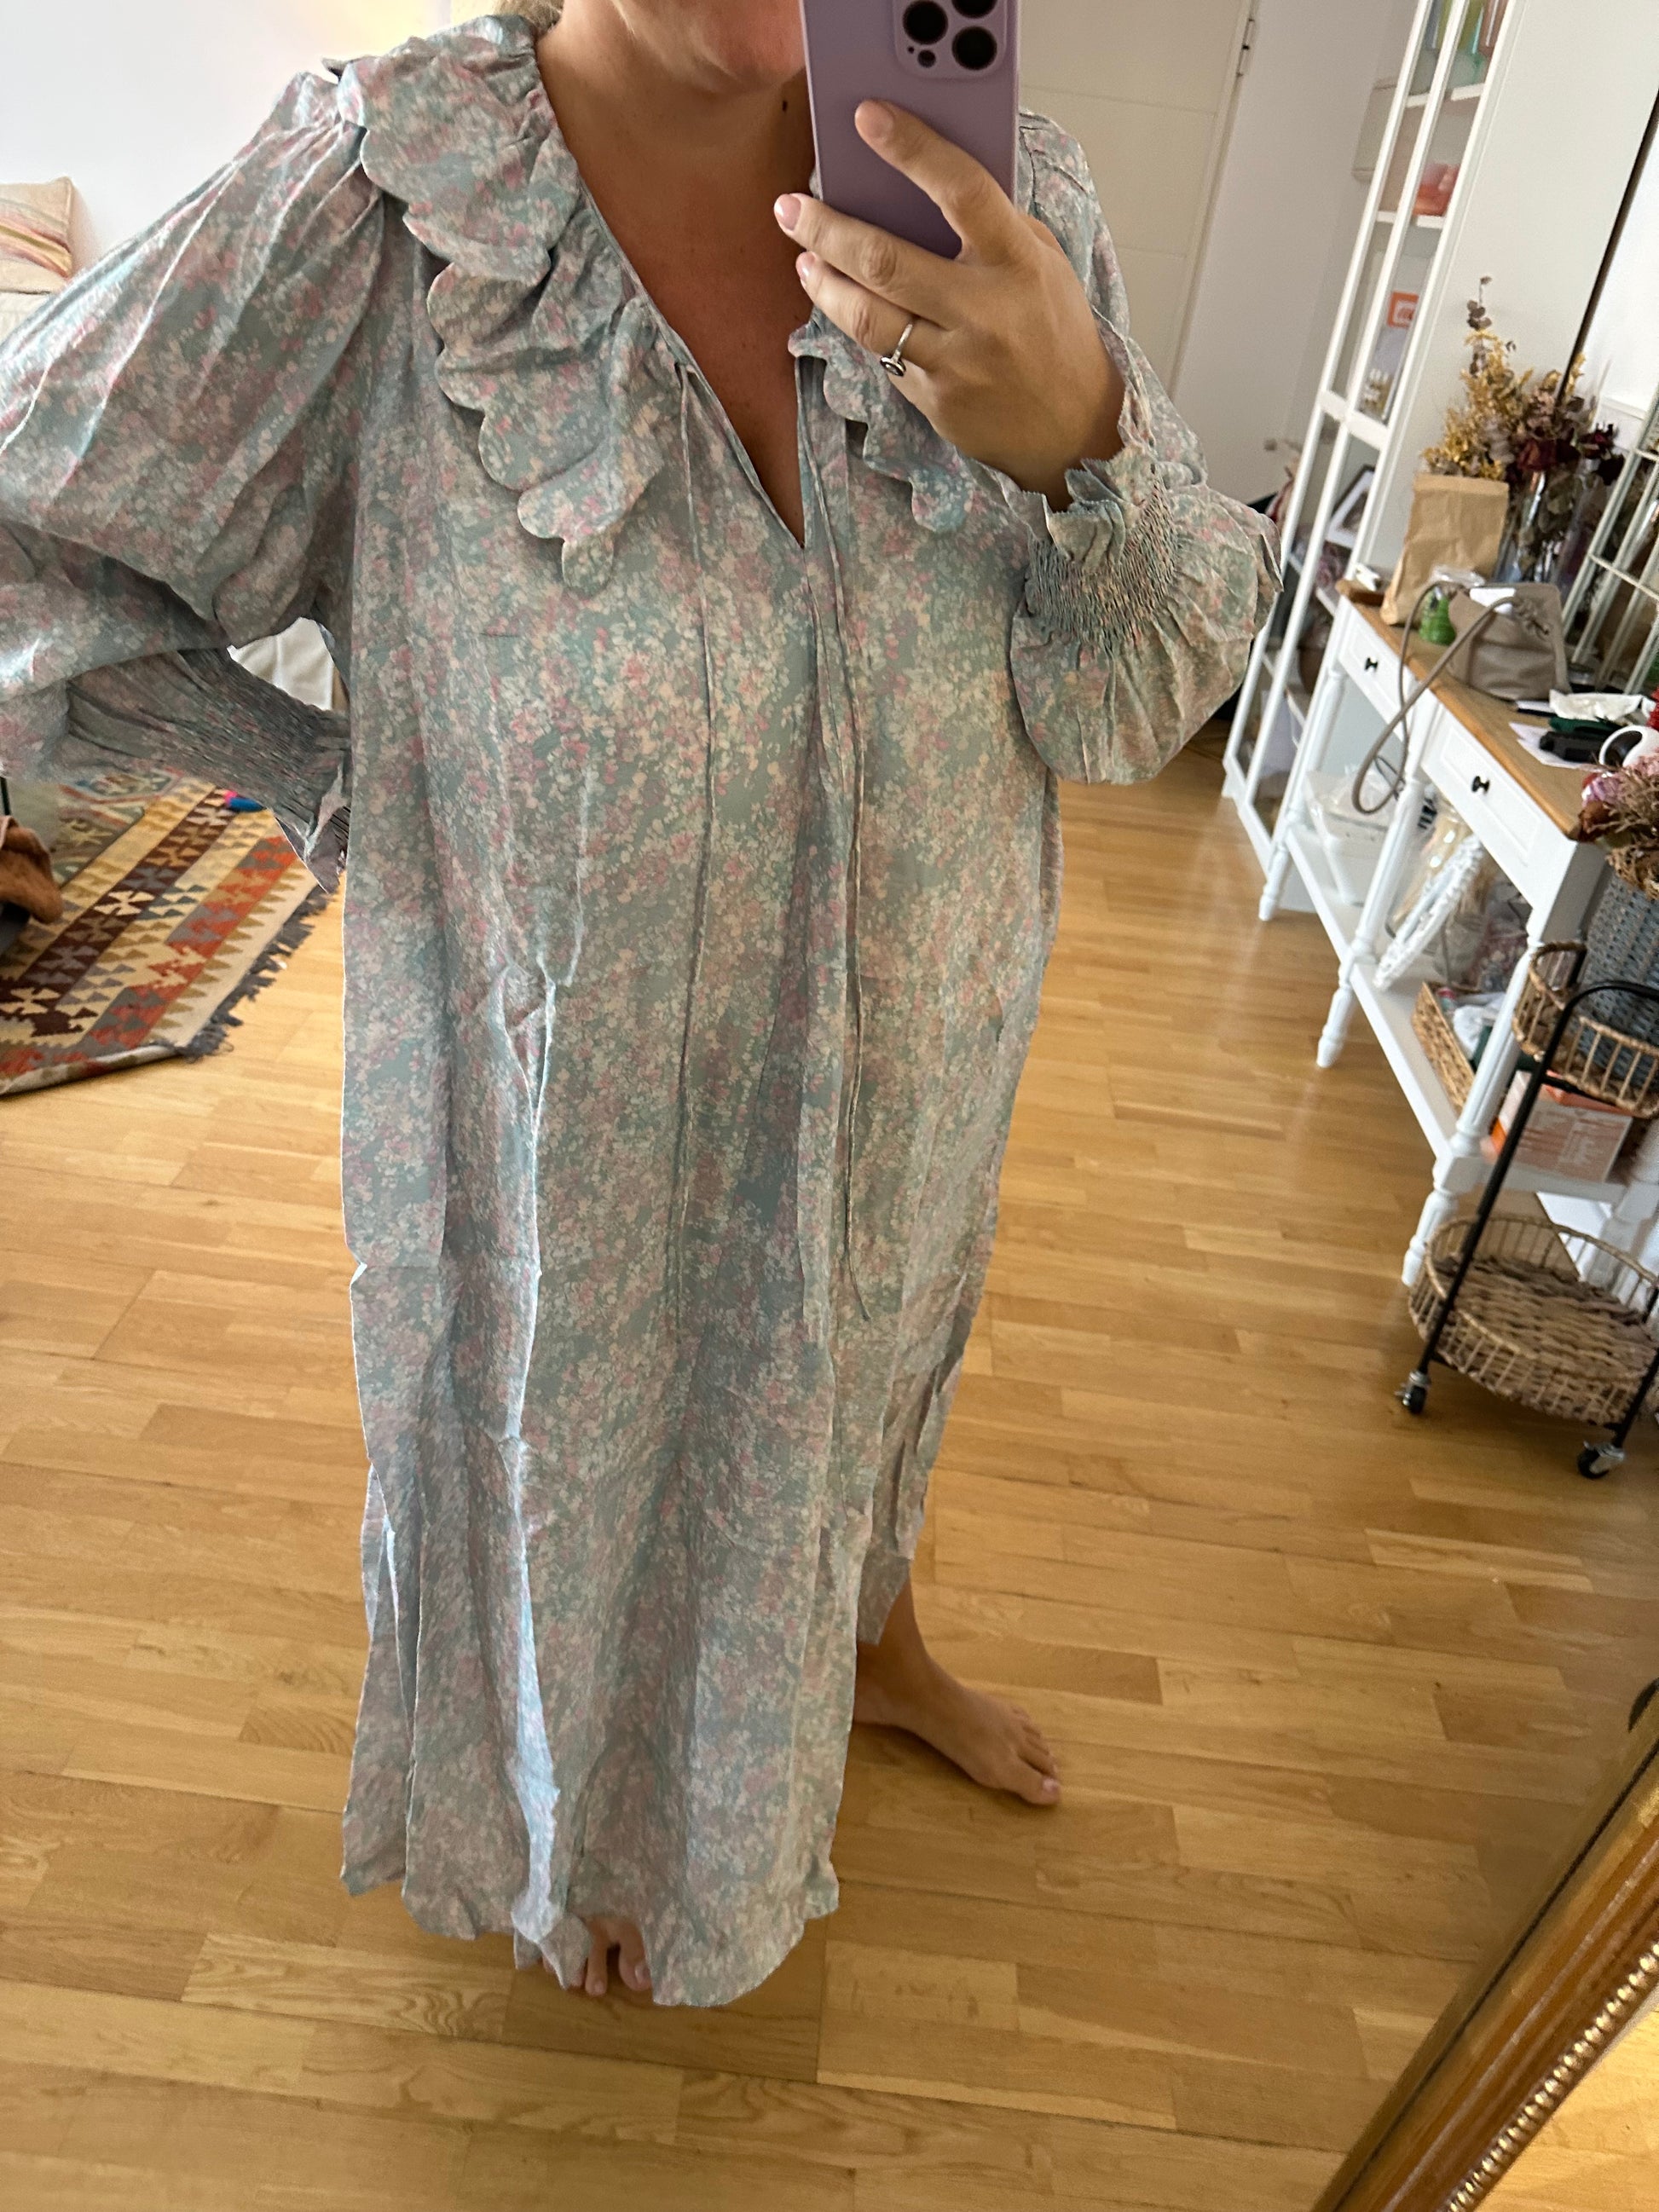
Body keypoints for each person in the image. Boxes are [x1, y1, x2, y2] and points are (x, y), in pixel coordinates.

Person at [0, 2, 1278, 2008]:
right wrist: (342, 772)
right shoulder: (388, 200)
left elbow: (1127, 704)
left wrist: (1082, 429)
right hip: (562, 1099)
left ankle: (869, 1644)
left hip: (922, 1040)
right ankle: (581, 1804)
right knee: (571, 1434)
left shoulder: (1000, 194)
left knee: (865, 1362)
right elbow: (26, 539)